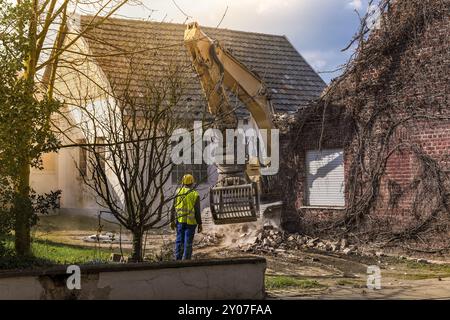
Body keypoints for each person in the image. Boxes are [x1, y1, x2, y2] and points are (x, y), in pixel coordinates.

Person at [170, 174, 202, 260]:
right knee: (188, 242)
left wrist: (171, 221)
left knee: (179, 240)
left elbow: (172, 208)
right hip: (191, 223)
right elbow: (197, 212)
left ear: (183, 182)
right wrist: (200, 224)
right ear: (192, 183)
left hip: (180, 221)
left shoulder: (177, 192)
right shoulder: (195, 194)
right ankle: (187, 260)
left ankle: (178, 259)